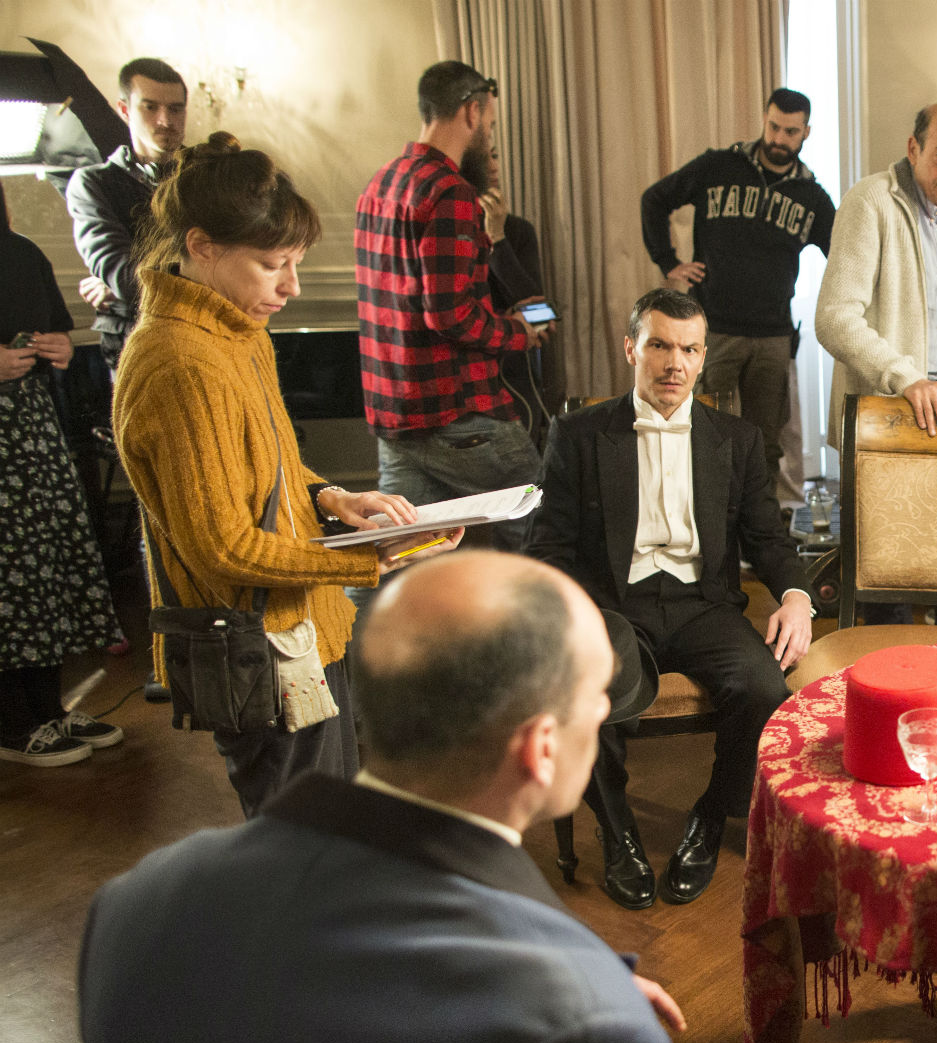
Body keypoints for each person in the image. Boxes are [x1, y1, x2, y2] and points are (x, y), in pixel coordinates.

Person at [79, 551, 713, 1043]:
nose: (603, 712)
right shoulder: (584, 1031)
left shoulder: (137, 901)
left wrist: (556, 981)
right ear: (541, 748)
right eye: (597, 697)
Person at [114, 133, 459, 817]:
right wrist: (366, 560)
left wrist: (333, 497)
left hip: (298, 631)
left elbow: (265, 461)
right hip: (258, 650)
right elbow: (224, 547)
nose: (292, 286)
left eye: (295, 263)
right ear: (201, 246)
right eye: (272, 264)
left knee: (332, 826)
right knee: (304, 844)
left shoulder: (234, 331)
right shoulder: (179, 361)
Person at [528, 288, 812, 908]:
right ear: (632, 348)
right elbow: (547, 547)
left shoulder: (736, 439)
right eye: (659, 345)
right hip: (613, 606)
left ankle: (710, 815)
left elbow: (768, 537)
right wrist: (572, 620)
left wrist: (796, 596)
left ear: (703, 357)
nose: (674, 363)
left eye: (689, 349)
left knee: (763, 689)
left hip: (701, 605)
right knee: (586, 690)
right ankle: (617, 829)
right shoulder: (577, 435)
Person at [355, 61, 549, 563]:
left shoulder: (380, 184)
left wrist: (499, 245)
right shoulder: (451, 192)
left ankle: (359, 623)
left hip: (396, 411)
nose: (489, 139)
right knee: (545, 516)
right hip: (456, 411)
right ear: (472, 110)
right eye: (490, 126)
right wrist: (518, 332)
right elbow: (451, 315)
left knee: (397, 552)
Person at [815, 101, 937, 626]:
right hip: (888, 418)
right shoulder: (871, 201)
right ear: (913, 148)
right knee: (886, 595)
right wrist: (906, 376)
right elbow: (833, 318)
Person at [640, 87, 834, 496]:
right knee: (709, 437)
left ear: (806, 132)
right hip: (714, 329)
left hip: (773, 334)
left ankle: (762, 525)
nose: (779, 139)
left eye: (791, 132)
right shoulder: (719, 166)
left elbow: (843, 252)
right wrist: (668, 262)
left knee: (766, 443)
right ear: (764, 119)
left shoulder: (811, 196)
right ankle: (714, 526)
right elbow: (655, 199)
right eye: (773, 127)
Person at [0, 182, 125, 766]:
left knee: (45, 563)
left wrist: (59, 347)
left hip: (31, 426)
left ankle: (46, 708)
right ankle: (11, 722)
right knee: (9, 575)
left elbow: (59, 330)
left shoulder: (21, 251)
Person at [66, 57, 185, 372]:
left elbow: (239, 261)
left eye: (175, 109)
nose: (165, 120)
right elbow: (125, 277)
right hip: (137, 343)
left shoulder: (208, 178)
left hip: (210, 335)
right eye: (150, 107)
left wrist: (137, 278)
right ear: (124, 110)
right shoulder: (94, 183)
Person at [478, 142, 563, 418]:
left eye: (495, 156)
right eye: (485, 159)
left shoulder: (518, 231)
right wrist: (507, 320)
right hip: (475, 369)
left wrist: (498, 240)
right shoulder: (453, 231)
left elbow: (537, 308)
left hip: (516, 369)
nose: (494, 167)